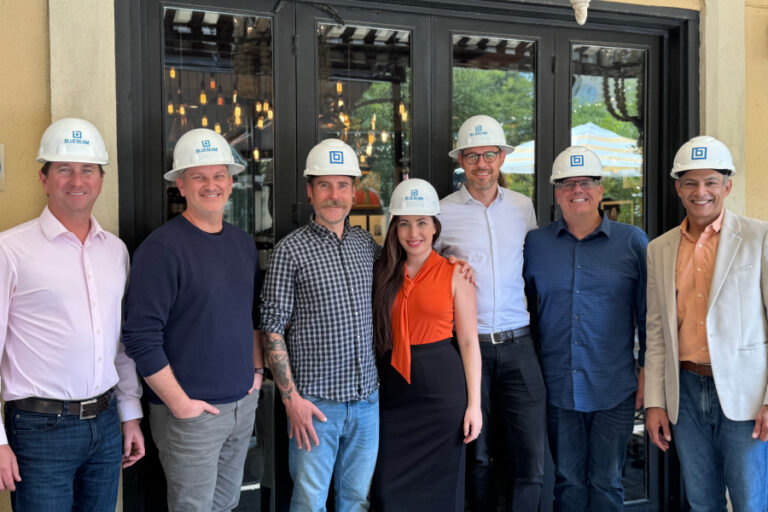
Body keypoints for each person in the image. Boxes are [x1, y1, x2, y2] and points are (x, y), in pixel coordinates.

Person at [0, 117, 144, 510]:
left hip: (105, 423)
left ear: (100, 179)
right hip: (39, 429)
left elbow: (119, 343)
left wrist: (129, 414)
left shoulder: (115, 252)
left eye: (88, 170)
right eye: (64, 169)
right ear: (44, 178)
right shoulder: (10, 251)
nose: (76, 180)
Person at [122, 128, 263, 511]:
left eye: (218, 176)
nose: (211, 185)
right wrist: (180, 404)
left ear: (231, 183)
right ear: (181, 186)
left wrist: (256, 374)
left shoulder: (241, 243)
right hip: (189, 415)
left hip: (241, 404)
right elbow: (140, 337)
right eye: (198, 177)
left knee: (227, 504)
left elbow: (251, 315)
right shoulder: (162, 249)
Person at [645, 135, 768, 511]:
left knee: (750, 502)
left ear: (727, 186)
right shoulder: (659, 249)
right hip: (684, 391)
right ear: (678, 188)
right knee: (701, 502)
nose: (701, 192)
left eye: (711, 181)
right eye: (691, 182)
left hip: (745, 396)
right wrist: (654, 402)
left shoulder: (759, 237)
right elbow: (656, 332)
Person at [524, 146, 647, 511]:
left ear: (599, 188)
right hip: (557, 386)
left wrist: (647, 373)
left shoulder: (632, 242)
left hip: (615, 387)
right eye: (567, 183)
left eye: (586, 182)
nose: (577, 189)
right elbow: (524, 308)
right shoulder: (536, 244)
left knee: (607, 483)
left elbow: (649, 315)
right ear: (556, 191)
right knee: (568, 483)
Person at [260, 139, 381, 511]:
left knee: (356, 501)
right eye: (324, 185)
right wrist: (290, 399)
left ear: (354, 192)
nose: (335, 195)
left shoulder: (367, 245)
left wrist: (457, 266)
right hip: (315, 407)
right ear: (310, 192)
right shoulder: (290, 251)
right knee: (309, 502)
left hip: (366, 403)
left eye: (343, 185)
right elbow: (272, 329)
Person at [436, 114, 547, 511]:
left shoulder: (523, 207)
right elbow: (427, 275)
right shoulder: (442, 212)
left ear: (502, 158)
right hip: (468, 349)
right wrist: (448, 268)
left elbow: (533, 268)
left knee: (531, 457)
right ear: (461, 160)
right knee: (477, 457)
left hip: (520, 345)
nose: (481, 163)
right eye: (472, 155)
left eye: (489, 154)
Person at [370, 179, 482, 511]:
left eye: (421, 222)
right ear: (394, 228)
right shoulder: (381, 271)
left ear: (435, 226)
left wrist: (474, 405)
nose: (413, 232)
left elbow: (467, 342)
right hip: (394, 392)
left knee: (440, 494)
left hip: (442, 394)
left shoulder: (455, 274)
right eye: (404, 223)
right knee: (387, 491)